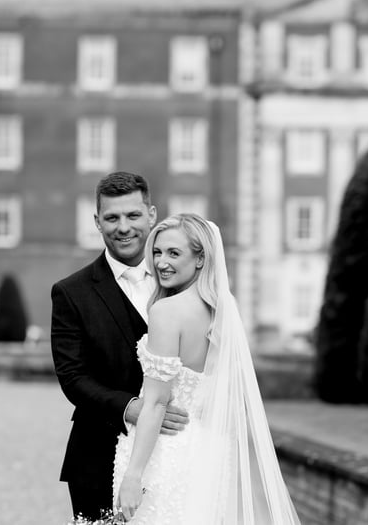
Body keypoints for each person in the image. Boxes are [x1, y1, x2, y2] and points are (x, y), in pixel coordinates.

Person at [113, 213, 301, 524]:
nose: (161, 262)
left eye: (174, 253)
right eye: (157, 252)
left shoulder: (165, 311)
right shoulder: (224, 310)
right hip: (210, 453)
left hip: (166, 452)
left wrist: (133, 475)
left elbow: (156, 403)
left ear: (201, 259)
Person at [51, 172, 189, 521]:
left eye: (133, 215)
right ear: (97, 222)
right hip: (99, 453)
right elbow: (73, 377)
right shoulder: (71, 292)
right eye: (112, 218)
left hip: (179, 455)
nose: (123, 227)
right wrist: (131, 408)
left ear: (152, 215)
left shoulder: (185, 283)